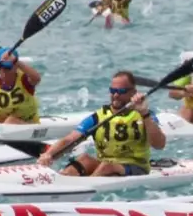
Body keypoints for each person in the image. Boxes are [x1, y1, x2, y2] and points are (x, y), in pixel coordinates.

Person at [37, 70, 167, 176]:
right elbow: (70, 138)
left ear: (133, 93)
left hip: (136, 168)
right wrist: (49, 154)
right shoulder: (99, 116)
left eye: (121, 92)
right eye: (112, 90)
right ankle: (61, 185)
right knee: (84, 159)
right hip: (106, 165)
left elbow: (159, 144)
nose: (115, 95)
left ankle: (84, 195)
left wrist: (144, 113)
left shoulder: (144, 115)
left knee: (107, 166)